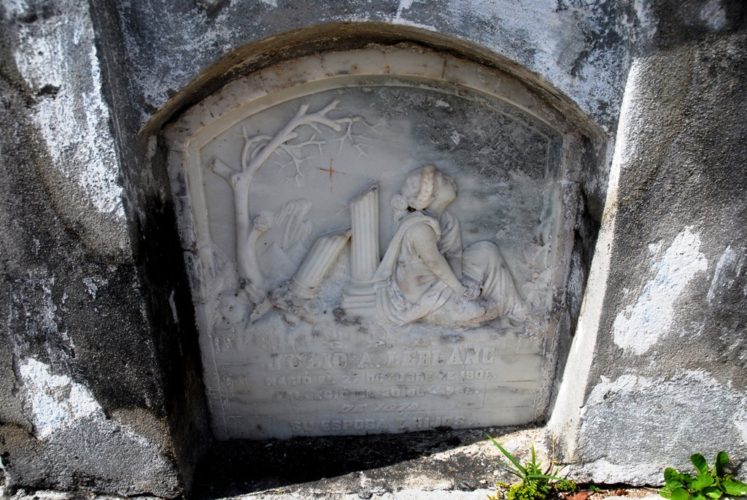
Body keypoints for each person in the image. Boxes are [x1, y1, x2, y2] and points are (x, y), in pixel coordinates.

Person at [372, 165, 523, 327]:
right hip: (423, 293)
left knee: (487, 250)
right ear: (431, 195)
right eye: (444, 180)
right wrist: (460, 289)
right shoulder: (420, 228)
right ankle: (439, 315)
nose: (451, 179)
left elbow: (454, 256)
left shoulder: (448, 220)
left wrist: (464, 282)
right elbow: (434, 262)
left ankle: (515, 309)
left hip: (444, 281)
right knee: (477, 310)